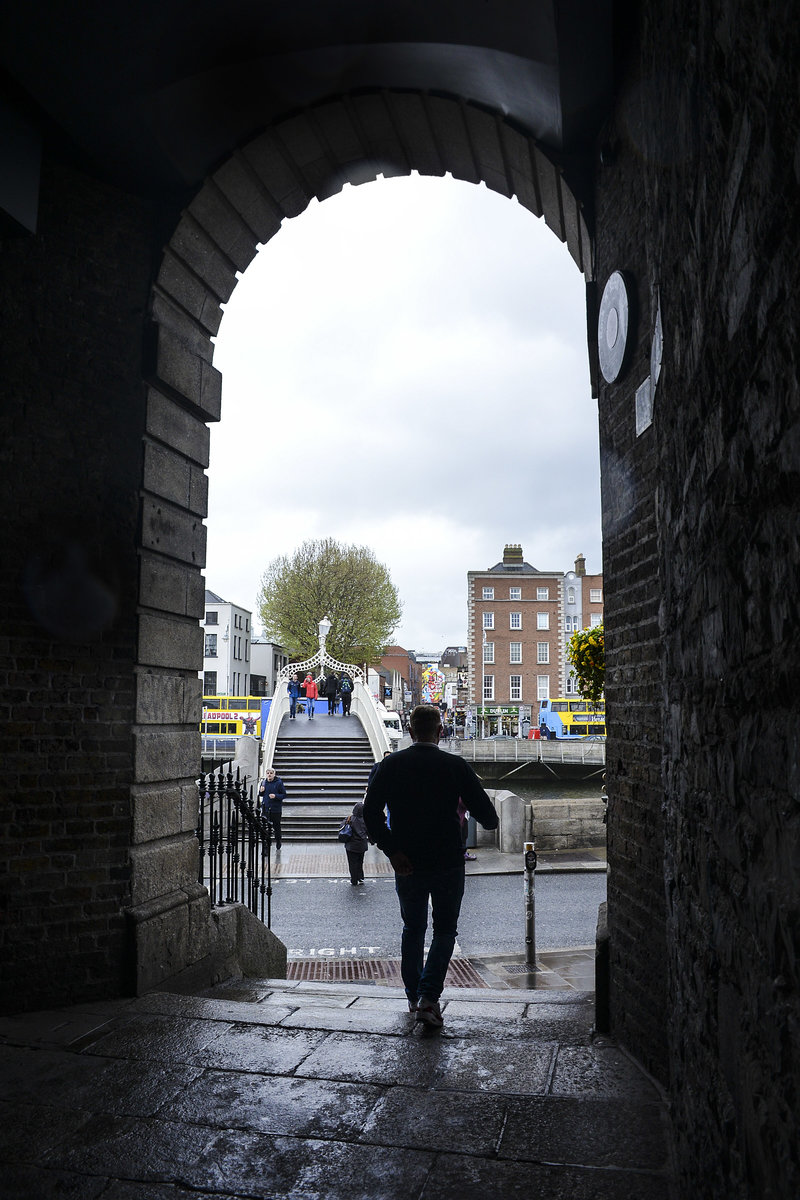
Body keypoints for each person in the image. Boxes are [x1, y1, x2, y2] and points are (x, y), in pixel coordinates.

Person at [364, 703, 498, 1029]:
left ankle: (413, 996)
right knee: (445, 930)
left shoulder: (390, 765)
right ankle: (428, 998)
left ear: (410, 732)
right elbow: (491, 820)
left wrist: (392, 850)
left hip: (406, 861)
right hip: (447, 861)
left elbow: (370, 813)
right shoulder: (455, 766)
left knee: (413, 930)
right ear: (441, 731)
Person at [258, 767, 287, 850]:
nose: (269, 775)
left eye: (271, 773)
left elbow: (284, 795)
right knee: (265, 826)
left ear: (274, 774)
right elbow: (261, 794)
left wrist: (276, 796)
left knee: (276, 826)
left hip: (275, 809)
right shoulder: (263, 782)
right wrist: (261, 791)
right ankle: (267, 844)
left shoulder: (278, 783)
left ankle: (278, 840)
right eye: (268, 773)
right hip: (266, 808)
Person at [344, 799, 370, 885]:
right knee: (360, 862)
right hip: (361, 845)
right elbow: (369, 831)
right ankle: (360, 877)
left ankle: (354, 879)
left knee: (352, 863)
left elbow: (342, 827)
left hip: (351, 846)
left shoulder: (349, 819)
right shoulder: (365, 820)